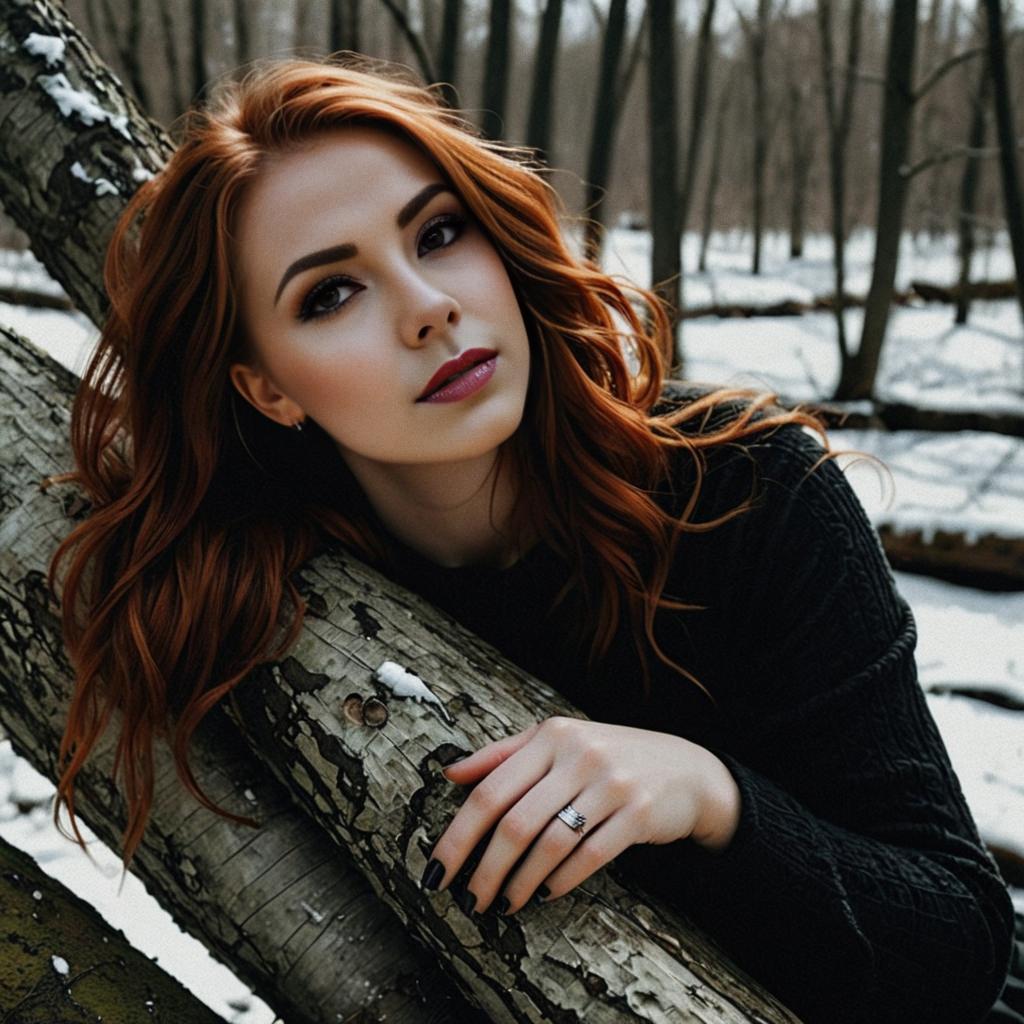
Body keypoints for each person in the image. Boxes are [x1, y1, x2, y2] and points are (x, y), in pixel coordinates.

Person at [47, 56, 1019, 1024]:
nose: (427, 306)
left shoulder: (745, 489)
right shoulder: (277, 593)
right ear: (266, 387)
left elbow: (963, 946)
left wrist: (705, 795)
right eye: (330, 294)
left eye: (437, 233)